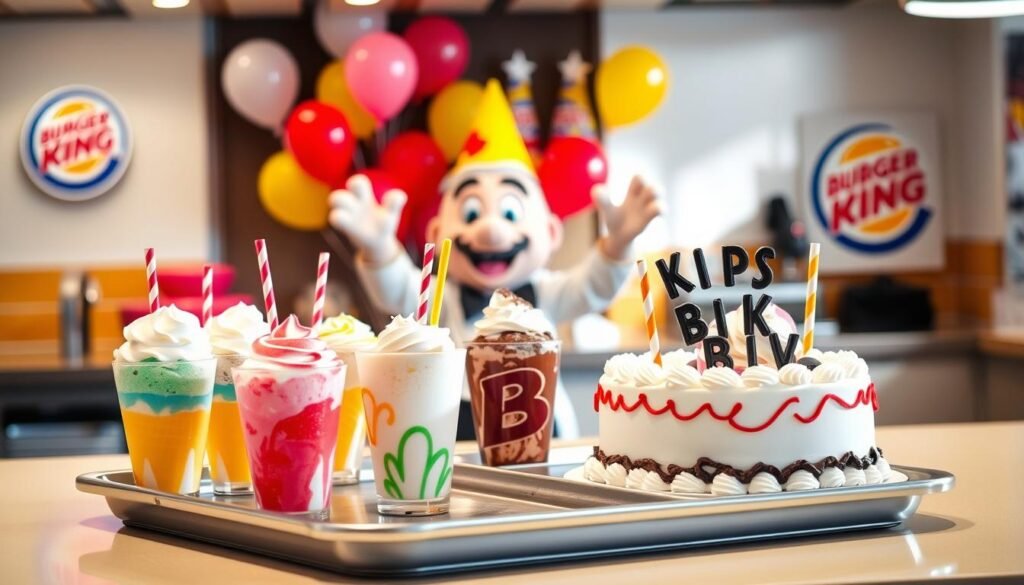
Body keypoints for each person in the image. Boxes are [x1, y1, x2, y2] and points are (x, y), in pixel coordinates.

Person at [329, 79, 661, 439]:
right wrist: (379, 248)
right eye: (471, 214)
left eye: (509, 213)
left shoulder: (546, 293)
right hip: (460, 435)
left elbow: (594, 286)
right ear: (436, 232)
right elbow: (397, 290)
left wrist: (619, 244)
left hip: (542, 433)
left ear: (550, 232)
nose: (489, 230)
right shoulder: (442, 297)